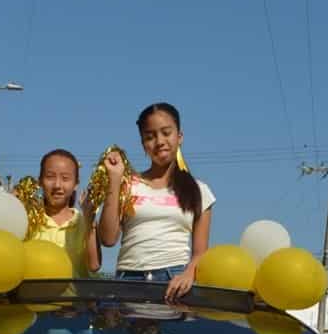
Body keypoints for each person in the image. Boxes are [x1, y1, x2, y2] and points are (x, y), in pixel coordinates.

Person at [97, 102, 215, 302]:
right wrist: (115, 181)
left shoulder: (199, 190)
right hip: (128, 280)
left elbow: (200, 253)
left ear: (180, 137)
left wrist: (188, 275)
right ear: (143, 144)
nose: (159, 141)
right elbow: (108, 239)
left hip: (174, 282)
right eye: (150, 137)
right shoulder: (128, 185)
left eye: (166, 133)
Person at [32, 149, 100, 276]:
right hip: (34, 296)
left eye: (65, 178)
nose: (57, 185)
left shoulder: (83, 222)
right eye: (50, 177)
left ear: (76, 184)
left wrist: (89, 222)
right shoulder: (29, 220)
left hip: (74, 296)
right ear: (40, 181)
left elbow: (94, 266)